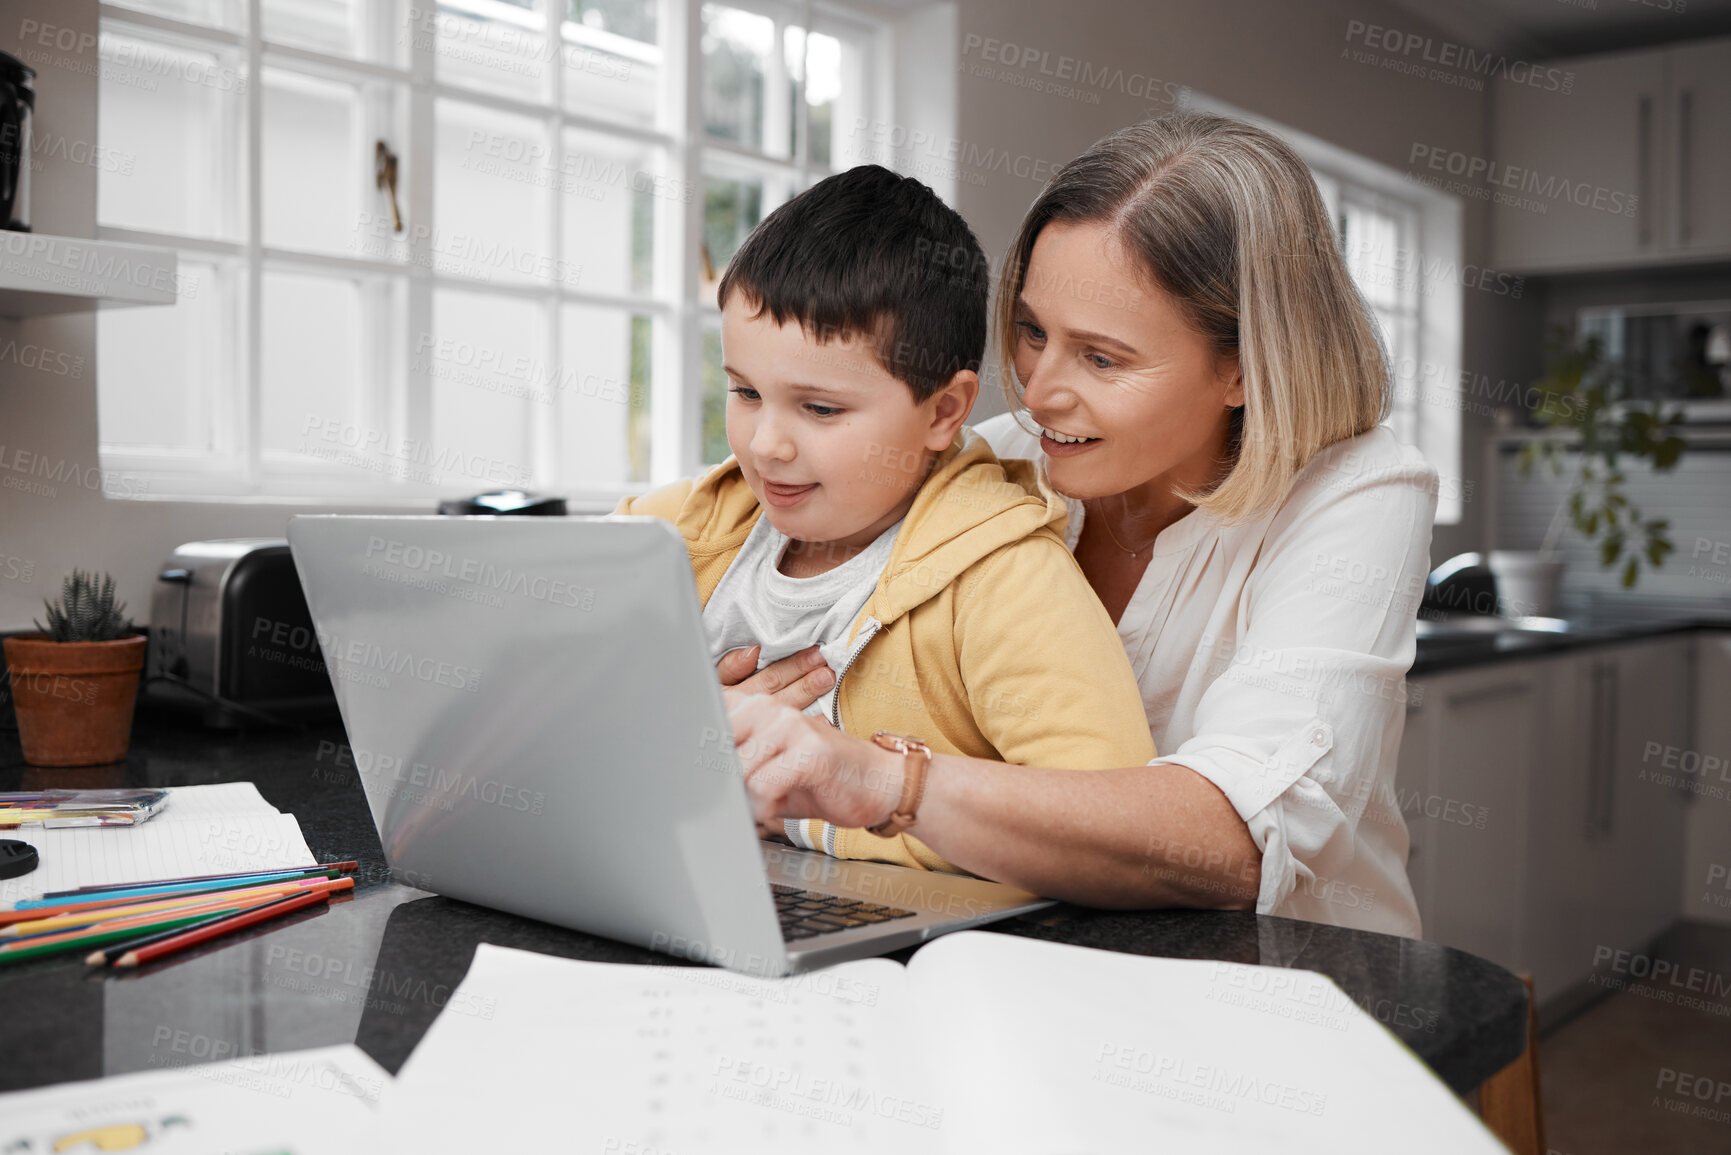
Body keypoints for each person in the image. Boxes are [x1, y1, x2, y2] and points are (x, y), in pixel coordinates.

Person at [721, 114, 1437, 938]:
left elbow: (1236, 843)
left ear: (1245, 365)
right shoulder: (989, 465)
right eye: (1031, 332)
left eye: (1101, 357)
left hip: (1296, 983)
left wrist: (889, 784)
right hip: (1049, 958)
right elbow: (822, 688)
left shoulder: (1359, 489)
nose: (1037, 392)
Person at [614, 164, 1154, 873]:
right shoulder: (669, 535)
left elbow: (1107, 829)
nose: (765, 443)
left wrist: (813, 821)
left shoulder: (1003, 576)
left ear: (943, 412)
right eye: (745, 392)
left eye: (820, 409)